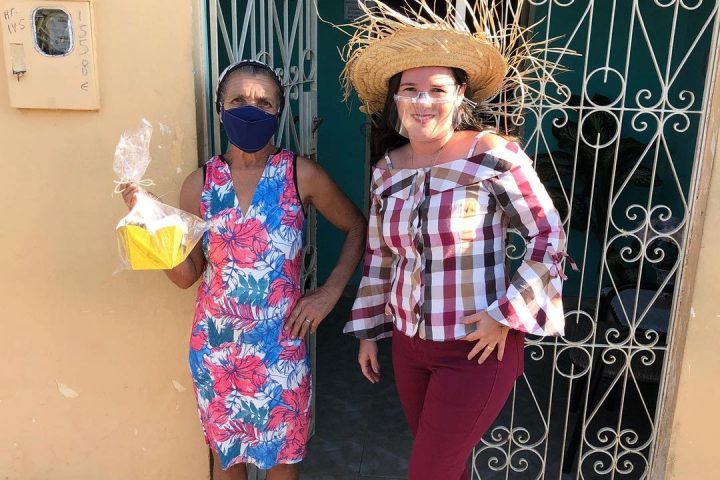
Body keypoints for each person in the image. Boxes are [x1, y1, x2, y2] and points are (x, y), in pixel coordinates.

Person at [341, 2, 572, 480]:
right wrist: (368, 331)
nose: (422, 101)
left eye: (437, 89)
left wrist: (506, 314)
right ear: (396, 98)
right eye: (410, 90)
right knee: (448, 468)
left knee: (429, 471)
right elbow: (381, 256)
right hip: (409, 348)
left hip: (476, 347)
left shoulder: (492, 154)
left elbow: (548, 233)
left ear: (460, 93)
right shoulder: (387, 170)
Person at [121, 59, 366, 480]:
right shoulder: (200, 184)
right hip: (217, 351)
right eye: (238, 100)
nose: (250, 109)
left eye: (263, 102)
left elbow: (357, 227)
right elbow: (186, 276)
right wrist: (150, 225)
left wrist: (329, 294)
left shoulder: (300, 175)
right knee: (228, 462)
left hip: (280, 349)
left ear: (278, 112)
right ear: (220, 109)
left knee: (283, 461)